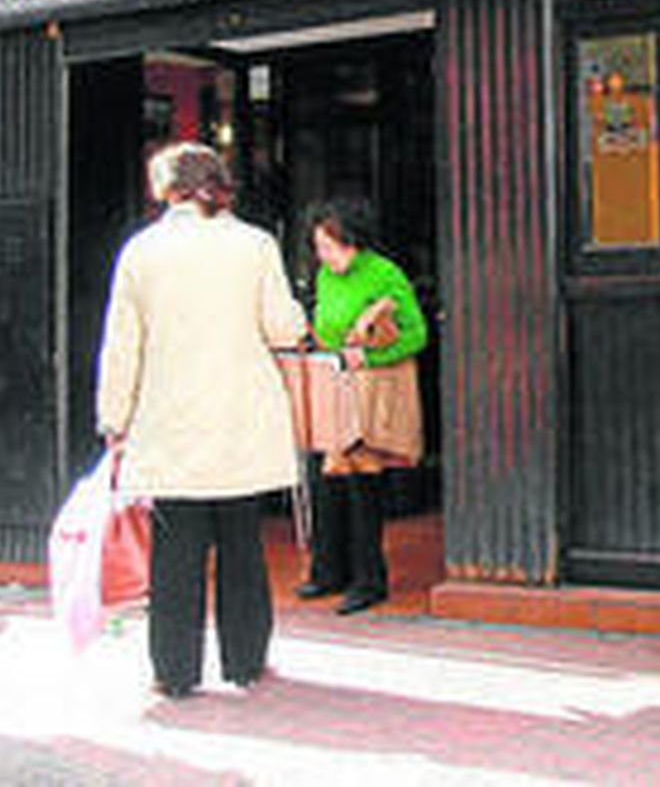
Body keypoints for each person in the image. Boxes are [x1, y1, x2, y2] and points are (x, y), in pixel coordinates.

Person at [96, 142, 308, 699]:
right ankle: (244, 661)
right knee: (243, 545)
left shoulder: (141, 252)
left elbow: (123, 347)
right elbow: (284, 328)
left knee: (176, 555)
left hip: (170, 424)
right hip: (241, 419)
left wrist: (114, 419)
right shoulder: (255, 244)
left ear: (166, 190)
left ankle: (174, 670)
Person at [298, 199, 429, 616]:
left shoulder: (384, 273)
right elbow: (324, 326)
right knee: (327, 484)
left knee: (362, 487)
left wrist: (368, 359)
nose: (324, 257)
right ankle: (327, 572)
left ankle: (369, 580)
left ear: (352, 242)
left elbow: (417, 335)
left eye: (330, 247)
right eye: (319, 248)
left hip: (371, 392)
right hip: (334, 387)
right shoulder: (324, 276)